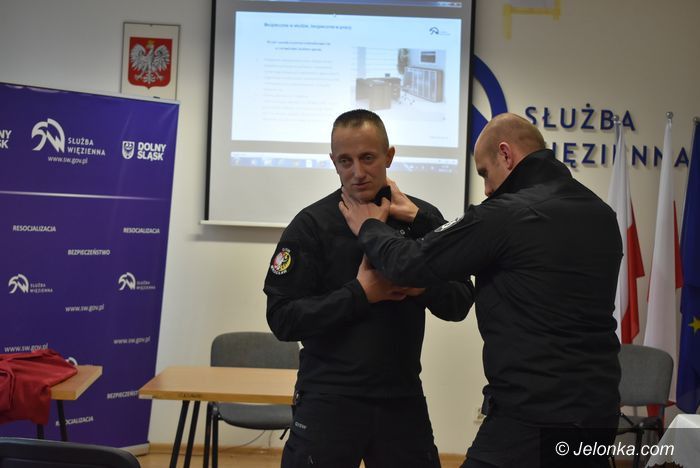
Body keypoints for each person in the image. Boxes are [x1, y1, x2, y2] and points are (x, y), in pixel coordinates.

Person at [339, 113, 622, 468]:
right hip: (598, 411)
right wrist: (422, 217)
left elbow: (407, 263)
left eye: (485, 173)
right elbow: (484, 247)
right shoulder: (600, 213)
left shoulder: (508, 213)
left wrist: (369, 225)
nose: (486, 189)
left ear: (506, 154)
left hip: (531, 415)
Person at [264, 109, 474, 468]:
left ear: (389, 156)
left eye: (367, 158)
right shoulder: (311, 225)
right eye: (345, 161)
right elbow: (283, 319)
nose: (357, 172)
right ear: (333, 162)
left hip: (400, 398)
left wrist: (420, 285)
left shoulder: (419, 218)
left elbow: (459, 302)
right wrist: (360, 293)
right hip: (327, 399)